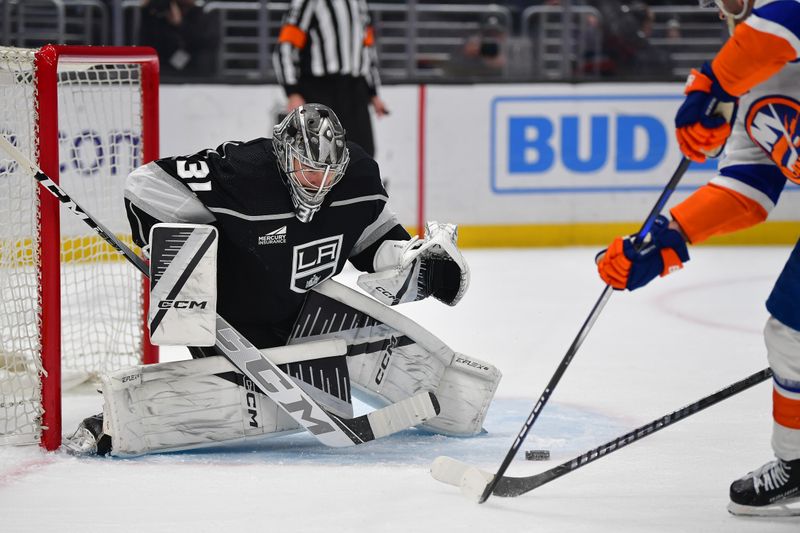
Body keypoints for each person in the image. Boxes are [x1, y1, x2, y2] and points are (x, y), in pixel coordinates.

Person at [64, 104, 500, 457]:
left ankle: (456, 402)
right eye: (309, 170)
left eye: (329, 172)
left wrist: (409, 259)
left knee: (325, 383)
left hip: (308, 309)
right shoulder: (243, 171)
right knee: (254, 409)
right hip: (232, 317)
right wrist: (188, 246)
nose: (320, 182)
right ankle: (115, 426)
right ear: (284, 153)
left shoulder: (359, 178)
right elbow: (144, 184)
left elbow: (374, 237)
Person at [596, 0, 800, 517]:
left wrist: (713, 82)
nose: (723, 11)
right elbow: (748, 187)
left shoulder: (765, 44)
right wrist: (665, 240)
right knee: (791, 331)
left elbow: (787, 18)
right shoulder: (750, 81)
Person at [272, 0, 388, 157]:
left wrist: (373, 92)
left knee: (362, 156)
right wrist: (292, 92)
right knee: (321, 157)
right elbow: (286, 46)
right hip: (320, 89)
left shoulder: (359, 2)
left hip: (355, 89)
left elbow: (366, 46)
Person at [138, 0, 219, 78]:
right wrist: (145, 10)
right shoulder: (159, 11)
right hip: (164, 66)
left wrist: (180, 24)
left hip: (193, 67)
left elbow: (204, 41)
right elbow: (151, 40)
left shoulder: (204, 11)